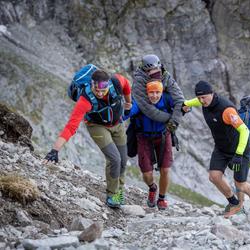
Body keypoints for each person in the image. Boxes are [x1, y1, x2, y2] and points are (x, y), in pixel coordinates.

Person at [43, 69, 132, 208]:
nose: (100, 93)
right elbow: (71, 126)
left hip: (117, 124)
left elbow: (126, 84)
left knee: (123, 160)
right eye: (97, 90)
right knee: (115, 159)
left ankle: (119, 192)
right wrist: (55, 150)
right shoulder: (85, 100)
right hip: (97, 126)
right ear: (91, 85)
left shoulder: (116, 82)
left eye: (103, 90)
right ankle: (112, 195)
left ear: (108, 85)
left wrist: (128, 103)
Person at [183, 81, 250, 218]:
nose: (201, 101)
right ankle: (233, 202)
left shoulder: (226, 110)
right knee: (214, 177)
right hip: (221, 148)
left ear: (212, 94)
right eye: (199, 98)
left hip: (239, 149)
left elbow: (245, 131)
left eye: (204, 97)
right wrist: (185, 105)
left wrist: (239, 154)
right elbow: (191, 102)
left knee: (240, 185)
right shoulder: (203, 101)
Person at [124, 80, 174, 210]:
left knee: (166, 169)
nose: (154, 95)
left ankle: (162, 198)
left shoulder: (168, 99)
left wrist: (187, 108)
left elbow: (180, 107)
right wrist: (125, 110)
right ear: (147, 92)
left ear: (162, 92)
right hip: (144, 137)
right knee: (146, 174)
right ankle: (152, 187)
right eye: (151, 92)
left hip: (163, 136)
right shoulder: (140, 101)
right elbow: (129, 113)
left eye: (157, 92)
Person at [132, 54, 185, 131]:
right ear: (145, 71)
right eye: (151, 70)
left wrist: (174, 121)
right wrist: (171, 118)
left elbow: (180, 100)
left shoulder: (165, 76)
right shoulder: (139, 81)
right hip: (144, 127)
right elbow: (147, 108)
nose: (156, 71)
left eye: (157, 68)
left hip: (163, 129)